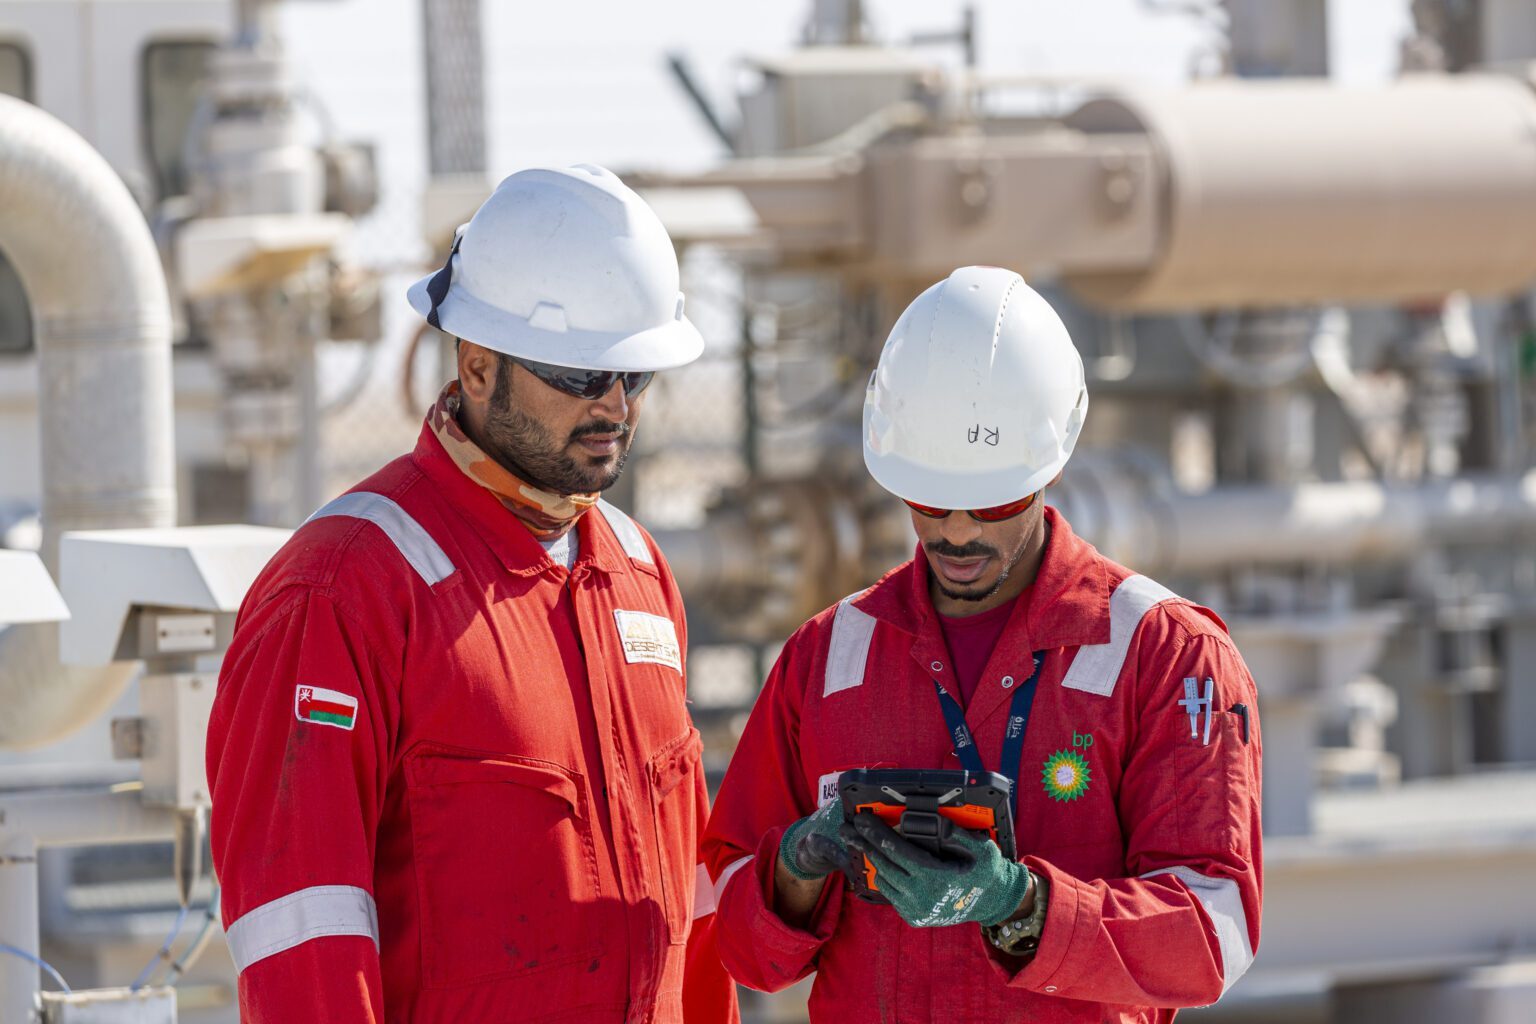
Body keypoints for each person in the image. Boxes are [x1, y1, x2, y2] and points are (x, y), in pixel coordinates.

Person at [207, 164, 738, 1023]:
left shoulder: (639, 577)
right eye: (578, 375)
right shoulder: (344, 588)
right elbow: (301, 937)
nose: (613, 407)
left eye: (633, 376)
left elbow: (693, 917)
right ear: (478, 364)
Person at [702, 265, 1263, 1022]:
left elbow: (1210, 937)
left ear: (1053, 463)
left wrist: (1022, 904)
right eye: (929, 498)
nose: (957, 530)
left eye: (993, 499)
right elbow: (733, 936)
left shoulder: (1166, 655)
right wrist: (797, 868)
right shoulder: (830, 656)